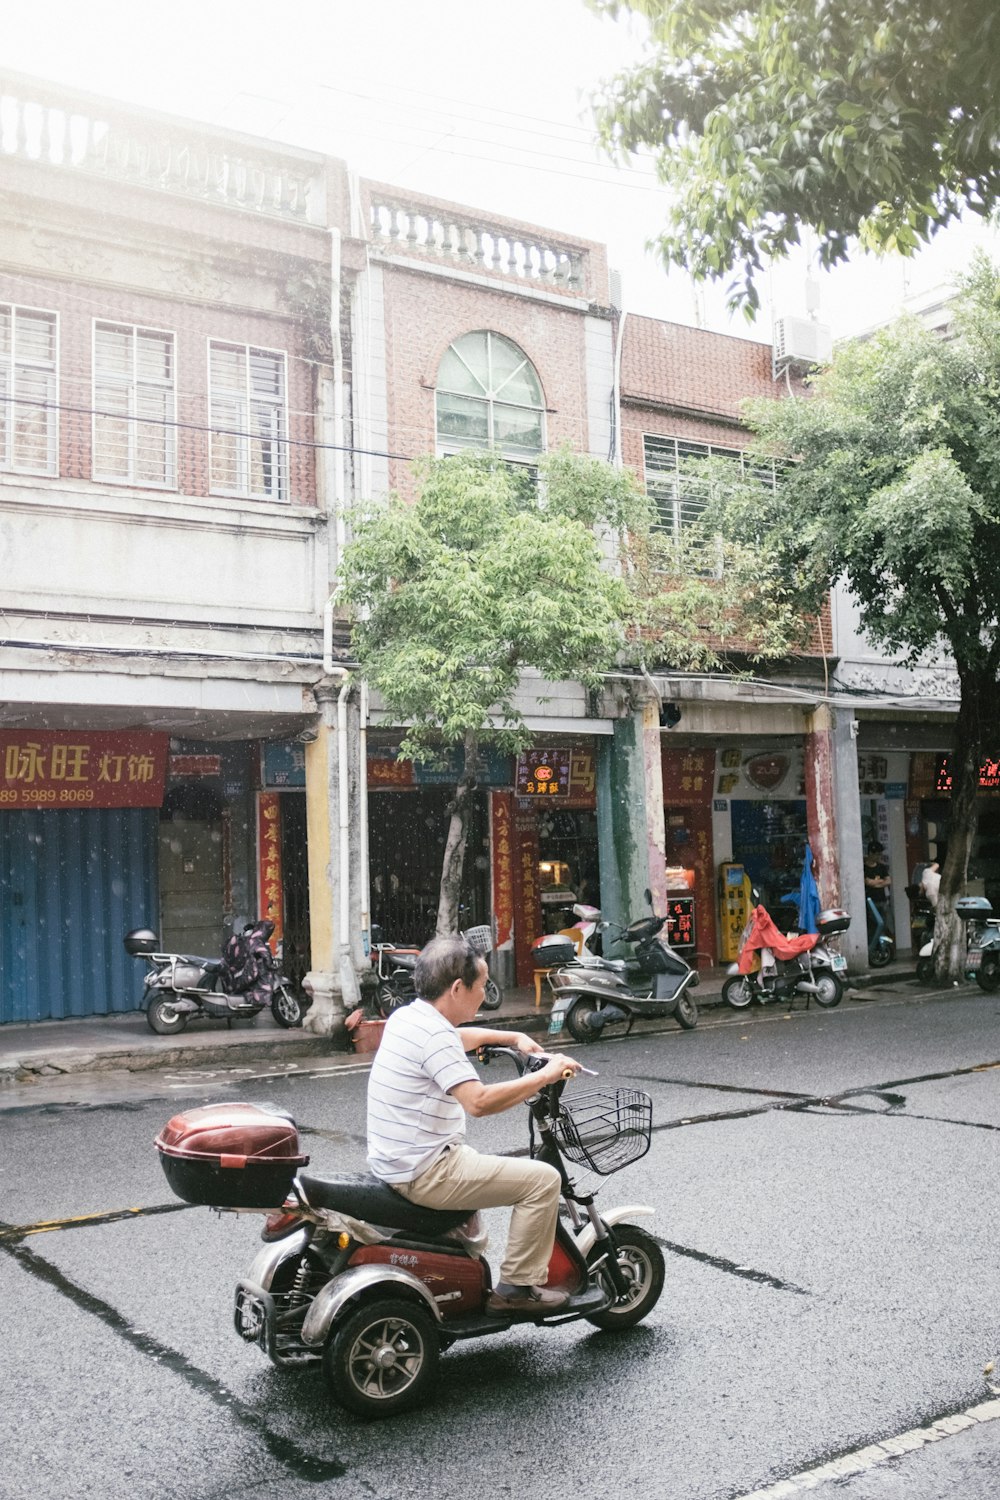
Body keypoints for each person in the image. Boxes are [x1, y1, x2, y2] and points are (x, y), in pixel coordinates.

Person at [367, 934, 582, 1319]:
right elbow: (478, 1103)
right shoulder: (434, 1035)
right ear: (456, 988)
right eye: (481, 986)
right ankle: (517, 1287)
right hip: (426, 1170)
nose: (484, 994)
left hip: (399, 1161)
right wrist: (546, 1075)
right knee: (543, 1180)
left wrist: (512, 1037)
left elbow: (456, 1038)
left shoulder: (409, 1017)